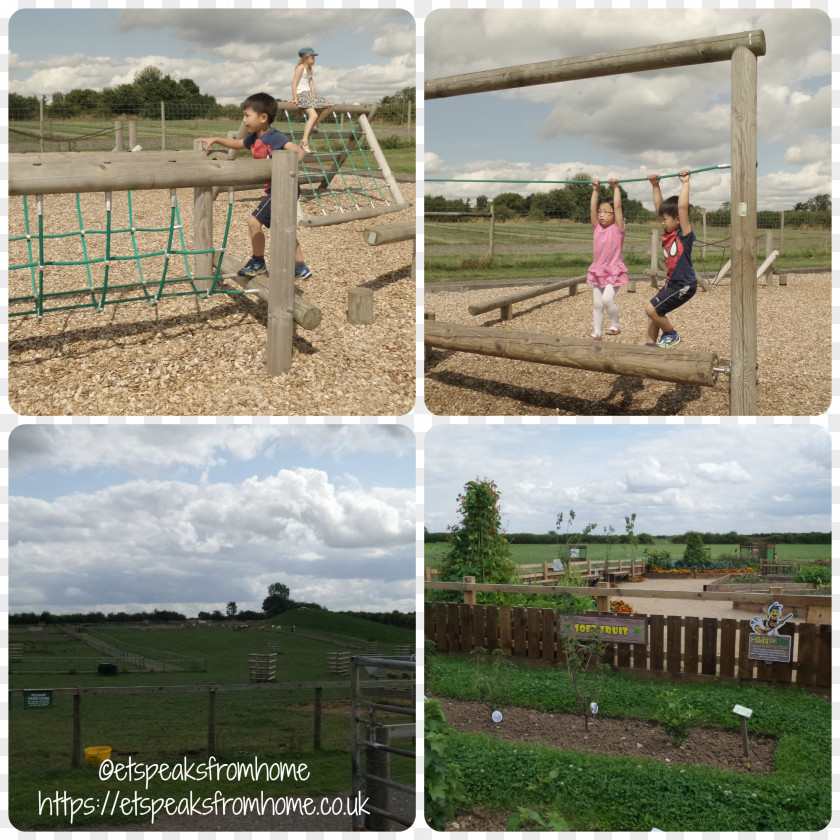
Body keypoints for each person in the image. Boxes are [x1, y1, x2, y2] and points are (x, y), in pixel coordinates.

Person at [197, 92, 311, 281]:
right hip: (277, 189)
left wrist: (287, 163)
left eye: (247, 115)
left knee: (253, 222)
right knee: (282, 227)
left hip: (284, 187)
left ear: (263, 117)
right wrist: (216, 139)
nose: (244, 120)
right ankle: (300, 267)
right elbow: (237, 143)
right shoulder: (254, 138)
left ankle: (258, 262)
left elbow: (299, 153)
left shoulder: (275, 137)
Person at [646, 170, 698, 348]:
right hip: (672, 282)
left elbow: (682, 208)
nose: (662, 222)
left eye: (665, 219)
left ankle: (671, 334)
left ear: (678, 220)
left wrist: (685, 183)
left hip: (684, 284)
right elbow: (659, 207)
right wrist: (655, 186)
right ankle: (649, 347)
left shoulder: (684, 235)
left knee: (651, 309)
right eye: (661, 219)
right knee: (655, 314)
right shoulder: (668, 234)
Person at [586, 178, 628, 340]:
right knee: (597, 304)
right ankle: (597, 332)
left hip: (614, 271)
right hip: (598, 270)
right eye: (600, 211)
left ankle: (615, 324)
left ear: (614, 214)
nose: (601, 215)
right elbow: (592, 209)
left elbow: (617, 206)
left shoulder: (618, 228)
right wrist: (595, 191)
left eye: (606, 212)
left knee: (606, 299)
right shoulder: (597, 227)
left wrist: (616, 188)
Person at [292, 47, 335, 153]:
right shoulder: (300, 67)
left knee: (330, 105)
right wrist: (295, 98)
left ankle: (315, 124)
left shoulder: (309, 69)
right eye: (311, 58)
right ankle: (304, 142)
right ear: (305, 58)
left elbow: (311, 84)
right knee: (313, 115)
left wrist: (314, 97)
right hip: (301, 94)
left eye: (314, 58)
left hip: (309, 95)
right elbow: (294, 83)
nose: (313, 60)